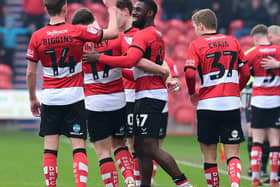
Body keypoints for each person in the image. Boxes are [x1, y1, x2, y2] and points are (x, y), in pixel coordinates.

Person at [82, 0, 193, 187]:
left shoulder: (138, 35)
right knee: (140, 148)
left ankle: (181, 183)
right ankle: (144, 183)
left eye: (137, 11)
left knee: (144, 146)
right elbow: (142, 65)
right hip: (138, 95)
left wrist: (167, 74)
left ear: (124, 13)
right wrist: (165, 73)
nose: (110, 19)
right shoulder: (146, 34)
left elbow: (134, 60)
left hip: (142, 96)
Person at [25, 0, 119, 186]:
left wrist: (33, 98)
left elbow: (30, 72)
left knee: (50, 150)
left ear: (46, 9)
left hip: (51, 98)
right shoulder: (77, 31)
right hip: (75, 97)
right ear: (65, 8)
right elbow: (113, 33)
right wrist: (112, 8)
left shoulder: (37, 36)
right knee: (78, 148)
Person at [184, 9, 250, 187]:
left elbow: (190, 74)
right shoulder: (233, 41)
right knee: (232, 153)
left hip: (207, 104)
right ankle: (235, 183)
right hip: (231, 104)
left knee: (209, 155)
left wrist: (192, 93)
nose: (195, 31)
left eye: (195, 27)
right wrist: (236, 89)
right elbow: (246, 71)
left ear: (201, 26)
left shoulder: (196, 45)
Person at [245, 24, 280, 186]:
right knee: (275, 140)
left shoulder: (254, 52)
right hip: (276, 100)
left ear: (257, 38)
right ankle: (273, 178)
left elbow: (242, 69)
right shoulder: (278, 51)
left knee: (257, 139)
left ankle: (255, 178)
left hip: (258, 100)